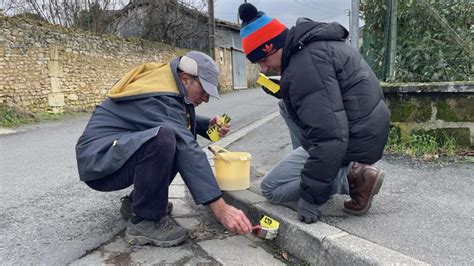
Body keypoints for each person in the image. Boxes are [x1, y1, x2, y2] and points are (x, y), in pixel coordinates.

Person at [75, 51, 252, 247]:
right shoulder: (160, 95)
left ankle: (138, 203)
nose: (206, 99)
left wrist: (205, 125)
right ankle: (145, 221)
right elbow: (185, 144)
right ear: (186, 79)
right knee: (165, 140)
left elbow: (170, 118)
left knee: (171, 137)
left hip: (110, 152)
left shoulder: (168, 80)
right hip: (99, 163)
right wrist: (221, 208)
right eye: (203, 92)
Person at [238, 3, 391, 223]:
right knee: (285, 107)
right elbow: (325, 99)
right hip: (366, 130)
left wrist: (310, 198)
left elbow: (330, 136)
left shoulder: (304, 66)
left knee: (271, 188)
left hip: (354, 141)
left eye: (262, 60)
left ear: (273, 47)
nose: (263, 69)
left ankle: (352, 178)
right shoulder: (309, 46)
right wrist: (287, 92)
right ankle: (321, 170)